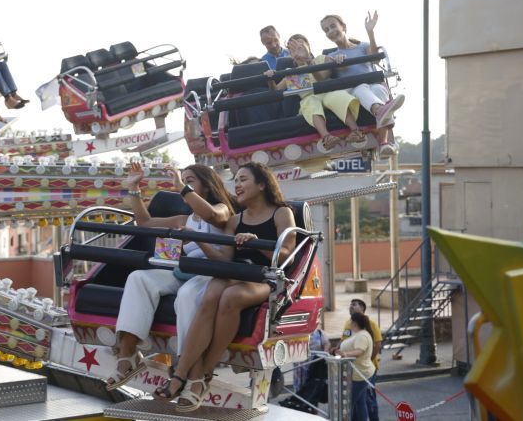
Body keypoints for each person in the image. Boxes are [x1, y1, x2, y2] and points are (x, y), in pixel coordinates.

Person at [158, 162, 297, 413]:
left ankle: (203, 373)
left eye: (243, 179)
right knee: (210, 293)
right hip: (235, 272)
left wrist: (256, 244)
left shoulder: (281, 213)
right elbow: (223, 261)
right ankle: (184, 374)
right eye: (236, 180)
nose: (238, 185)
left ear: (262, 184)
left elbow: (287, 255)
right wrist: (200, 240)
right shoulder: (235, 220)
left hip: (265, 278)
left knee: (230, 297)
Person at [105, 162, 237, 391]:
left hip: (210, 276)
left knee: (186, 296)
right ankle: (127, 356)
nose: (184, 186)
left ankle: (188, 367)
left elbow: (212, 214)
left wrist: (180, 186)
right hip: (183, 272)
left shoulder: (222, 209)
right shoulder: (185, 220)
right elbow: (145, 223)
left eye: (190, 180)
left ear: (206, 186)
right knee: (139, 278)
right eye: (183, 181)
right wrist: (134, 189)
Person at [320, 13, 405, 158]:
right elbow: (336, 72)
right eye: (326, 30)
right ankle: (380, 112)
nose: (330, 31)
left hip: (373, 87)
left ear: (344, 27)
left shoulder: (362, 47)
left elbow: (374, 56)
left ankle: (383, 142)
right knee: (361, 88)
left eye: (333, 26)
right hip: (354, 91)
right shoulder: (332, 56)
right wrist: (336, 62)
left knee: (380, 89)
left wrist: (370, 32)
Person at [264, 34, 363, 150]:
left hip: (327, 92)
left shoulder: (322, 59)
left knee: (337, 95)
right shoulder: (290, 73)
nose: (297, 49)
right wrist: (270, 79)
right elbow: (275, 91)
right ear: (290, 53)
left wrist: (308, 60)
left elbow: (321, 77)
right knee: (310, 102)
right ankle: (327, 137)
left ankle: (356, 131)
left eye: (300, 45)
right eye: (293, 48)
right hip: (310, 98)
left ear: (308, 47)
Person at [339, 299, 383, 421]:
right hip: (353, 370)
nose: (350, 307)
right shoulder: (348, 324)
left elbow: (377, 344)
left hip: (364, 370)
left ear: (362, 308)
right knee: (360, 401)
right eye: (350, 304)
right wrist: (337, 349)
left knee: (368, 399)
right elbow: (344, 340)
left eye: (354, 305)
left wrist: (368, 358)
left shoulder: (370, 325)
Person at [332, 312, 377, 421]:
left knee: (349, 403)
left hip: (360, 374)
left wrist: (345, 354)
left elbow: (359, 351)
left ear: (354, 322)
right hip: (357, 374)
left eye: (351, 321)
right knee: (360, 402)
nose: (349, 323)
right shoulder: (358, 334)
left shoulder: (362, 335)